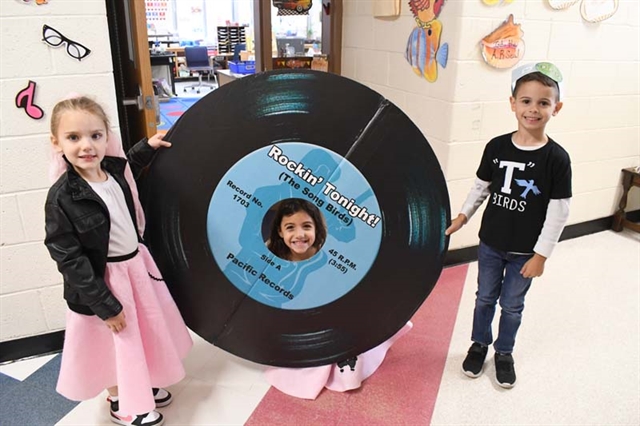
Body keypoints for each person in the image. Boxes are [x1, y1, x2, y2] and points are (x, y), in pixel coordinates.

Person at [44, 96, 193, 426]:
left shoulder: (112, 169)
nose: (87, 146)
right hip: (103, 281)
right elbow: (68, 257)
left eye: (96, 136)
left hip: (133, 269)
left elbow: (129, 162)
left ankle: (139, 386)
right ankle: (119, 399)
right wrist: (104, 305)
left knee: (141, 330)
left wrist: (149, 145)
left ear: (106, 136)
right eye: (74, 138)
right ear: (56, 143)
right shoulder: (63, 197)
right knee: (113, 341)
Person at [445, 62, 572, 388]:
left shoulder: (557, 159)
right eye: (526, 101)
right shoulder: (497, 146)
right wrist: (463, 215)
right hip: (491, 244)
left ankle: (504, 351)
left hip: (524, 252)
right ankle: (479, 344)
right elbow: (481, 187)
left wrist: (541, 255)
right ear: (512, 103)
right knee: (484, 298)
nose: (533, 109)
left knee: (512, 305)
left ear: (556, 108)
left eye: (543, 102)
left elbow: (559, 211)